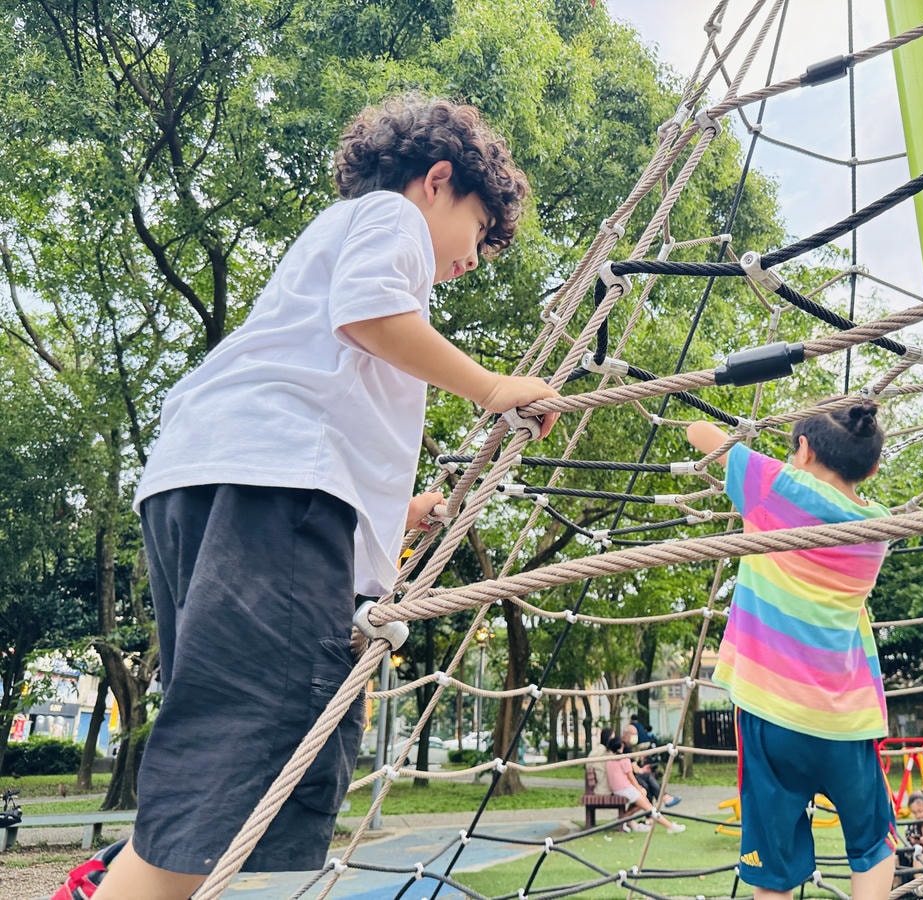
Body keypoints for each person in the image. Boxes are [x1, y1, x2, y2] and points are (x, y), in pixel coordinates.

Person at [68, 95, 561, 900]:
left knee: (221, 740)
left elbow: (326, 392)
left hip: (214, 483)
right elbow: (369, 316)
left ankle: (109, 883)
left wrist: (395, 513)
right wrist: (495, 387)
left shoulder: (335, 241)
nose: (477, 257)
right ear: (437, 181)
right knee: (246, 747)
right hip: (269, 488)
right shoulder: (390, 220)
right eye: (478, 231)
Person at [686, 402, 897, 900]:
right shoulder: (877, 525)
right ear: (871, 468)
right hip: (846, 719)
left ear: (802, 450)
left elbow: (700, 432)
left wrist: (749, 439)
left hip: (771, 712)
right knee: (872, 845)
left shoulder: (771, 484)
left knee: (772, 866)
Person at [604, 737, 686, 834]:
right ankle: (670, 826)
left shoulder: (609, 760)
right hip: (625, 789)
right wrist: (639, 789)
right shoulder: (624, 759)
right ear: (621, 746)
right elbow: (631, 778)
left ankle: (623, 820)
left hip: (617, 790)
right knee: (649, 808)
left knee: (643, 801)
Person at [620, 722, 680, 807]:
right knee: (646, 783)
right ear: (625, 734)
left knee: (647, 781)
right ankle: (660, 801)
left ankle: (656, 808)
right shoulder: (624, 748)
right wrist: (643, 770)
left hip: (627, 776)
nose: (635, 737)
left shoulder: (626, 747)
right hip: (625, 778)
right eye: (633, 734)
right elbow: (634, 769)